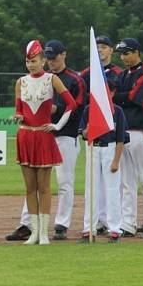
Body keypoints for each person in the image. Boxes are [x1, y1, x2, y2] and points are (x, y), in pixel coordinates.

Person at [14, 40, 77, 245]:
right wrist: (18, 117)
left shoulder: (51, 80)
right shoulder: (20, 82)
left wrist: (57, 126)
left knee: (44, 187)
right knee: (29, 187)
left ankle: (43, 233)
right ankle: (34, 231)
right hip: (25, 135)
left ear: (42, 62)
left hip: (43, 136)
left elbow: (71, 103)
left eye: (34, 61)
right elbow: (19, 109)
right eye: (28, 61)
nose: (31, 65)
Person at [112, 37, 143, 239]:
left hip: (142, 130)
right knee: (127, 181)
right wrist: (123, 95)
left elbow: (138, 99)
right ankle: (128, 222)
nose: (123, 57)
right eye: (122, 54)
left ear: (136, 52)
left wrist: (120, 96)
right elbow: (119, 96)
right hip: (124, 131)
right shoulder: (125, 74)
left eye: (126, 53)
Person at [44, 39, 87, 240]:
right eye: (48, 58)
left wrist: (57, 109)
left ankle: (61, 223)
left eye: (54, 57)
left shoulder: (75, 80)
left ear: (63, 55)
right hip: (42, 134)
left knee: (64, 181)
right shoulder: (40, 78)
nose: (51, 62)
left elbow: (78, 109)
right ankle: (28, 223)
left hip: (66, 135)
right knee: (37, 181)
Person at [77, 85, 127, 243]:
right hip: (93, 147)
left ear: (112, 93)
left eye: (108, 91)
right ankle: (88, 229)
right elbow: (83, 134)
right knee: (91, 189)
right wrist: (87, 130)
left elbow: (121, 138)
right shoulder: (89, 110)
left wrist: (116, 160)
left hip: (110, 148)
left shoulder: (117, 111)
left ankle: (114, 229)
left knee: (112, 189)